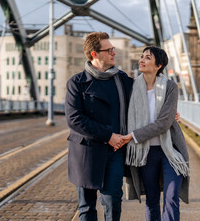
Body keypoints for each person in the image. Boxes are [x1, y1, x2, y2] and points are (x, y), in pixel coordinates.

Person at [65, 31, 133, 221]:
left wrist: (168, 111)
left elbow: (145, 98)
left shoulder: (123, 80)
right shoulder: (77, 83)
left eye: (113, 49)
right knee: (86, 207)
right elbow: (74, 119)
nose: (113, 53)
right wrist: (108, 135)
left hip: (115, 152)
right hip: (86, 151)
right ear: (94, 54)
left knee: (113, 202)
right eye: (109, 50)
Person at [120, 46, 190, 221]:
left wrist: (132, 136)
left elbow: (164, 123)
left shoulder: (170, 87)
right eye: (141, 57)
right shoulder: (132, 87)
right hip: (145, 153)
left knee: (171, 197)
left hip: (170, 150)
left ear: (158, 65)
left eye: (147, 58)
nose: (141, 60)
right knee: (151, 200)